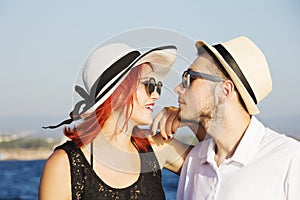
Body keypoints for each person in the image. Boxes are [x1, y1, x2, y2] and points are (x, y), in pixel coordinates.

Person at [152, 36, 300, 199]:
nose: (178, 88)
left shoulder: (290, 159)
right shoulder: (195, 161)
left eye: (190, 78)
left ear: (225, 90)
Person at [38, 43, 191, 200]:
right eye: (149, 85)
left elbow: (215, 165)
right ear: (118, 91)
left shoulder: (157, 147)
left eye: (158, 86)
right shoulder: (63, 165)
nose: (156, 95)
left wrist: (190, 117)